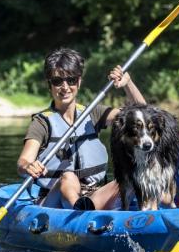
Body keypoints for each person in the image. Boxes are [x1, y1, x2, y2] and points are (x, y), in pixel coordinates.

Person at [16, 48, 146, 210]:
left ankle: (90, 209)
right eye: (57, 81)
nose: (65, 87)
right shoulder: (42, 122)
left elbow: (143, 115)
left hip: (92, 197)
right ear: (49, 85)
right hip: (53, 200)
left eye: (71, 80)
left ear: (79, 82)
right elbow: (23, 161)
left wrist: (128, 84)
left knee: (132, 175)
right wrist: (29, 166)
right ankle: (80, 210)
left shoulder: (93, 113)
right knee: (68, 176)